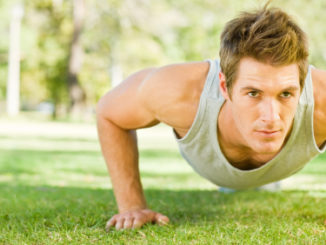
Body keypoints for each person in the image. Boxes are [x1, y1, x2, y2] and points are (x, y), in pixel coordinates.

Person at [96, 5, 326, 230]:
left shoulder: (321, 97)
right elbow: (109, 112)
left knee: (262, 184)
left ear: (302, 85)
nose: (271, 117)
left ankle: (265, 181)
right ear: (225, 87)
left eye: (286, 94)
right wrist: (131, 206)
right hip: (209, 161)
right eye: (253, 93)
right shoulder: (178, 92)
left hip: (279, 167)